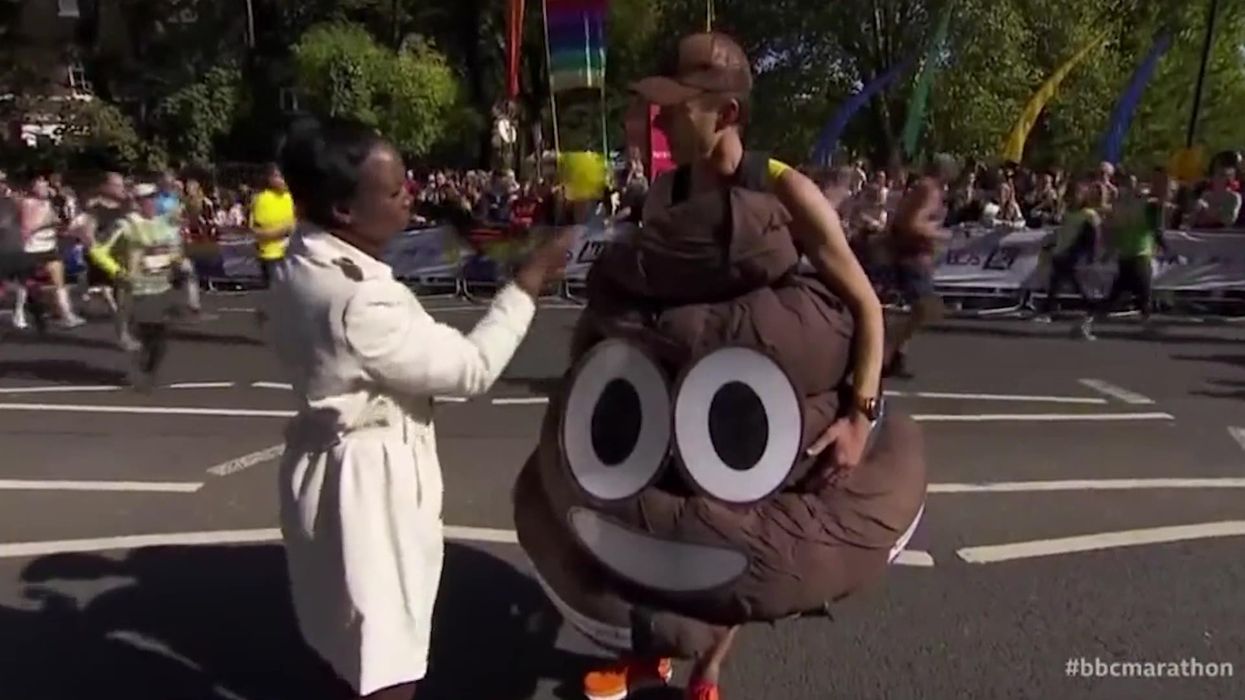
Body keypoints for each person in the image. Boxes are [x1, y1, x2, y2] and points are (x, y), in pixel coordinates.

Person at [580, 31, 889, 700]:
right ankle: (651, 656)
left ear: (725, 116)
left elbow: (866, 306)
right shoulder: (663, 194)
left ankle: (707, 672)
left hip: (753, 407)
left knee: (734, 543)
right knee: (652, 521)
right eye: (658, 106)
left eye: (676, 107)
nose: (659, 120)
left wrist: (858, 418)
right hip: (672, 396)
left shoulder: (785, 191)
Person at [265, 117, 573, 700]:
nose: (410, 196)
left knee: (344, 639)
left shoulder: (300, 259)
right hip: (368, 485)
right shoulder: (361, 298)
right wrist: (528, 283)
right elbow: (471, 368)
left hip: (325, 466)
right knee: (386, 656)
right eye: (393, 191)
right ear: (344, 212)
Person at [88, 183, 186, 390]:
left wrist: (177, 262)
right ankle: (144, 371)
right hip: (137, 289)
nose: (151, 202)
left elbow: (174, 250)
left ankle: (147, 367)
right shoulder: (125, 225)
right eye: (146, 199)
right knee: (147, 334)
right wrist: (117, 272)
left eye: (154, 198)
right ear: (137, 202)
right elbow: (98, 251)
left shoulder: (165, 223)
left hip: (162, 287)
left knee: (161, 340)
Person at [1077, 169, 1171, 340]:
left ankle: (1088, 321)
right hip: (1139, 253)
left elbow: (1114, 229)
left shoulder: (1122, 205)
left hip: (1128, 254)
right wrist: (1167, 248)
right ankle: (1088, 321)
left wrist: (1111, 249)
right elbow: (1156, 229)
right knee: (1140, 294)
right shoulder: (1147, 204)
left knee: (1125, 295)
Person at [883, 160, 952, 378]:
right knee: (926, 308)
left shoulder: (927, 189)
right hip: (911, 257)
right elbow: (911, 223)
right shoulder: (929, 190)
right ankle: (886, 347)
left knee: (923, 310)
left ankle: (895, 353)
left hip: (915, 256)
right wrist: (938, 233)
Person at [69, 171, 135, 348]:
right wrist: (92, 247)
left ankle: (85, 290)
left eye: (122, 185)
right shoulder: (93, 206)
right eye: (117, 185)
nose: (121, 189)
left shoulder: (125, 204)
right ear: (105, 186)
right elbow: (86, 230)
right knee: (114, 296)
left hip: (121, 254)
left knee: (123, 296)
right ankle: (123, 335)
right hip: (101, 254)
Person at [1032, 181, 1102, 322]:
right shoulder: (1069, 213)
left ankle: (1049, 311)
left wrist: (1091, 254)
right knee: (1071, 282)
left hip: (1072, 252)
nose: (1073, 198)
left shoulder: (1089, 214)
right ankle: (1091, 307)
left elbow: (1094, 236)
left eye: (1077, 195)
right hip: (1061, 249)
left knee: (1059, 282)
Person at [249, 163, 296, 303]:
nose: (283, 180)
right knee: (277, 298)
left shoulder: (291, 197)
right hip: (272, 256)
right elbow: (258, 233)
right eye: (278, 176)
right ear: (269, 178)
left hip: (293, 253)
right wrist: (285, 230)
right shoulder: (262, 200)